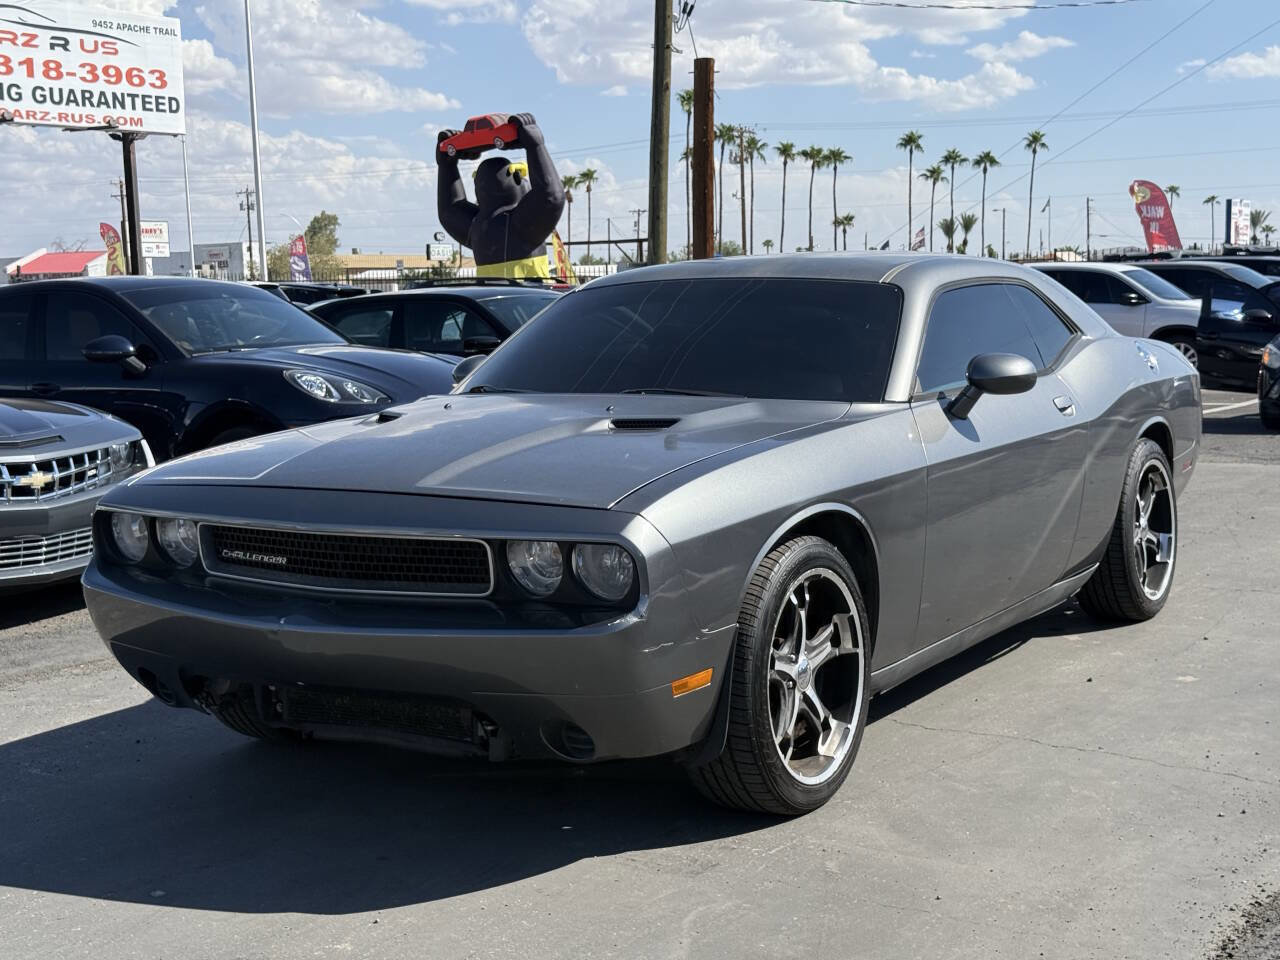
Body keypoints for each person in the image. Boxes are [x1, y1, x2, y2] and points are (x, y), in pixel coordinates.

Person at [436, 113, 566, 279]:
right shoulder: (523, 223)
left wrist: (446, 165)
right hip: (530, 298)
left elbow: (449, 209)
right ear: (517, 178)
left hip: (488, 299)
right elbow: (551, 196)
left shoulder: (476, 226)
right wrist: (535, 145)